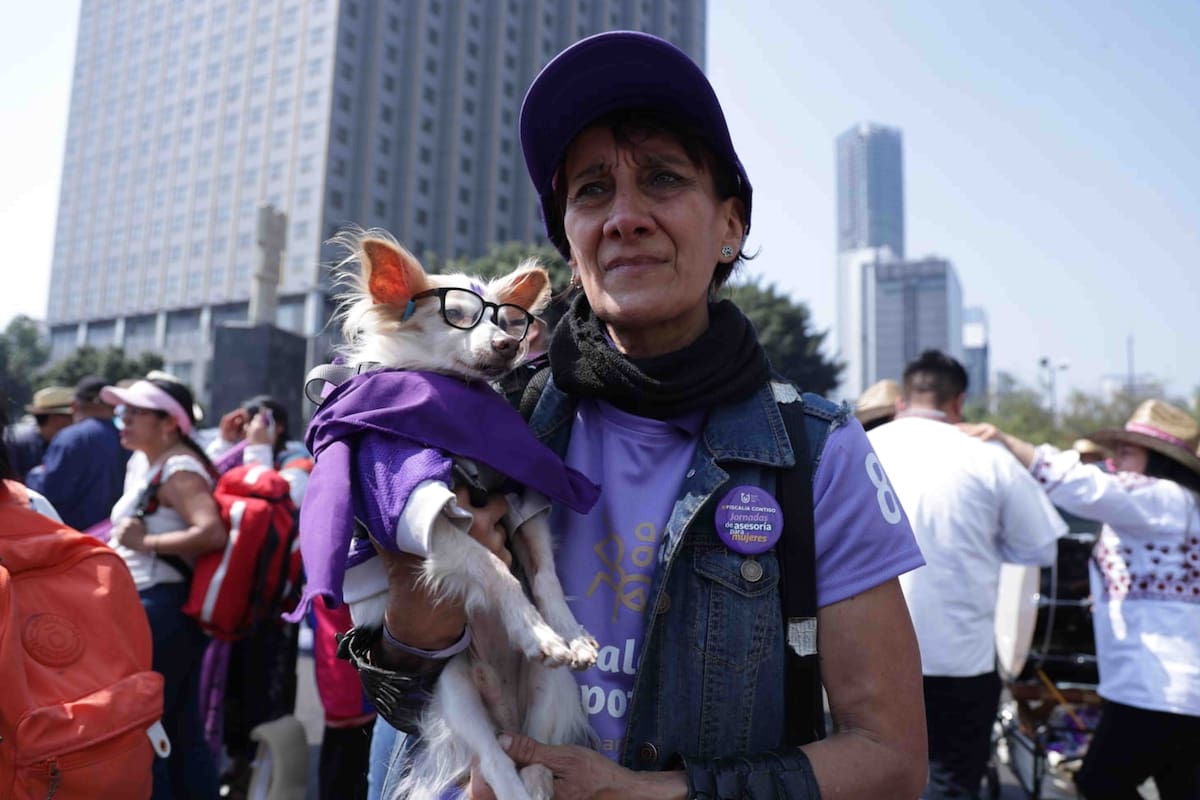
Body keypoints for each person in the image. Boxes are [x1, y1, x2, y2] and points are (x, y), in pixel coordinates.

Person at [343, 31, 928, 799]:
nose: (625, 216)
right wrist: (420, 629)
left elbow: (891, 758)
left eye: (662, 179)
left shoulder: (815, 453)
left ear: (731, 227)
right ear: (572, 244)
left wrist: (655, 793)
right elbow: (398, 701)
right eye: (591, 190)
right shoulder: (482, 422)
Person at [963, 399, 1200, 800]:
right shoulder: (1177, 506)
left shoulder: (1160, 497)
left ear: (1159, 459)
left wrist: (1009, 442)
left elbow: (1084, 486)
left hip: (1155, 688)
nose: (1114, 463)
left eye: (1125, 453)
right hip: (1174, 688)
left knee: (1100, 783)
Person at [866, 350, 1066, 799]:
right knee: (951, 783)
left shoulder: (861, 449)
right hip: (959, 658)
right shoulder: (988, 458)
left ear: (902, 399)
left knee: (866, 779)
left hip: (864, 655)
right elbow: (1039, 547)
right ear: (958, 403)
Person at [101, 376, 227, 800]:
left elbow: (210, 532)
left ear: (168, 423)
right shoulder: (157, 463)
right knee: (175, 724)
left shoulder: (178, 468)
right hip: (156, 607)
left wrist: (146, 542)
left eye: (134, 413)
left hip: (160, 609)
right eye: (121, 412)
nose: (123, 420)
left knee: (148, 728)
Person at [205, 396, 309, 796]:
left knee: (264, 696)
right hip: (231, 600)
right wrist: (222, 443)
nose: (247, 426)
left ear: (275, 425)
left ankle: (262, 776)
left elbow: (271, 500)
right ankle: (232, 766)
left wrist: (258, 448)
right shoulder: (240, 454)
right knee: (226, 693)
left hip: (271, 609)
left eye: (256, 420)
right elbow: (207, 486)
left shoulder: (298, 462)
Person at [26, 376, 129, 531]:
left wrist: (34, 475)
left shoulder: (70, 438)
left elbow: (49, 490)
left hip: (75, 539)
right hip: (115, 535)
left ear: (74, 405)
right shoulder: (129, 438)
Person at [5, 385, 74, 481]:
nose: (74, 421)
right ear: (55, 418)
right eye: (69, 417)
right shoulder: (15, 443)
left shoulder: (67, 444)